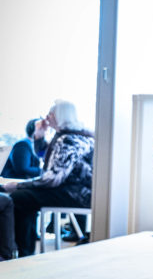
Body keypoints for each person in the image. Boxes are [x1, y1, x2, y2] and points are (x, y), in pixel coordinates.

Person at [1, 101, 94, 259]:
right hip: (80, 193)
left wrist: (17, 185)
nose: (46, 117)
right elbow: (44, 156)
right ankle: (25, 252)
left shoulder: (68, 140)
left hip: (75, 194)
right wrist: (39, 135)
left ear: (60, 116)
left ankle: (23, 253)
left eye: (50, 113)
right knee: (24, 197)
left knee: (19, 198)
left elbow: (52, 179)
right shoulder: (76, 135)